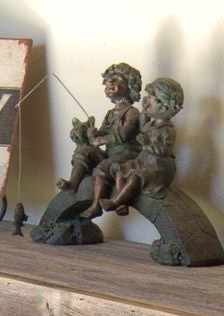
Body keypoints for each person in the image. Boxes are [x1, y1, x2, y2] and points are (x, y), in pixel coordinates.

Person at [85, 76, 182, 218]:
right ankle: (121, 202)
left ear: (163, 106)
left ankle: (115, 201)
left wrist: (148, 145)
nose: (146, 100)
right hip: (144, 161)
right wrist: (94, 133)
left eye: (150, 98)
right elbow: (142, 127)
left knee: (134, 176)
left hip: (158, 166)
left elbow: (165, 151)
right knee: (120, 170)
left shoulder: (166, 129)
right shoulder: (151, 124)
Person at [57, 61, 142, 193]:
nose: (110, 84)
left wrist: (100, 140)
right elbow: (103, 131)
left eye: (115, 80)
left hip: (127, 156)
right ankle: (73, 184)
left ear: (130, 85)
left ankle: (98, 202)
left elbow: (124, 134)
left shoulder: (132, 112)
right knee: (85, 152)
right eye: (108, 81)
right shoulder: (110, 113)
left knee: (103, 166)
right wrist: (92, 133)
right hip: (110, 155)